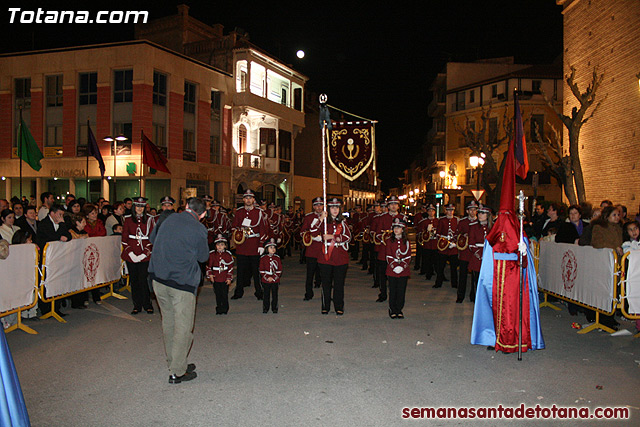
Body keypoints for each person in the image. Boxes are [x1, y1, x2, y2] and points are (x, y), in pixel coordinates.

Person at [149, 197, 209, 384]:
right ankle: (177, 371)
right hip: (181, 283)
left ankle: (175, 361)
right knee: (183, 327)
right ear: (203, 214)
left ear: (185, 207)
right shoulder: (199, 228)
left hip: (159, 279)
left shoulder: (168, 219)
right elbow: (203, 256)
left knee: (169, 323)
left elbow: (153, 239)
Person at [312, 198, 351, 315]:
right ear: (328, 209)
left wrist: (331, 236)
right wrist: (321, 218)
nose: (335, 210)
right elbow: (313, 233)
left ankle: (339, 306)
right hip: (325, 256)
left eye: (337, 207)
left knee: (339, 284)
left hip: (340, 256)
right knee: (326, 283)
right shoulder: (322, 222)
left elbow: (348, 237)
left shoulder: (343, 222)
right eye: (332, 207)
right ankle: (325, 306)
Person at [587, 206, 623, 329]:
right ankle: (603, 318)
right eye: (614, 215)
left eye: (618, 215)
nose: (617, 217)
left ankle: (610, 317)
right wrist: (614, 247)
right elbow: (596, 243)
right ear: (607, 216)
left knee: (614, 291)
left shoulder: (618, 228)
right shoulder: (599, 227)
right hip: (603, 263)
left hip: (616, 264)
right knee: (605, 291)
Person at [230, 189, 269, 300]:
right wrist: (238, 232)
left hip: (254, 245)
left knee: (256, 271)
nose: (248, 200)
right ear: (243, 200)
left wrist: (261, 244)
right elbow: (234, 226)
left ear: (253, 200)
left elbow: (263, 229)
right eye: (246, 198)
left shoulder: (259, 212)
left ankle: (258, 291)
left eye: (250, 198)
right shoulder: (239, 212)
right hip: (242, 245)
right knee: (241, 271)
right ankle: (239, 292)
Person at [35, 204, 71, 317]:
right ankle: (45, 308)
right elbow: (53, 236)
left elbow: (68, 235)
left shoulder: (61, 224)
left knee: (57, 282)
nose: (61, 217)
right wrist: (62, 225)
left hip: (57, 257)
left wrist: (63, 231)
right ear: (52, 213)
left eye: (62, 215)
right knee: (46, 282)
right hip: (46, 259)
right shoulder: (44, 224)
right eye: (59, 214)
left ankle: (56, 307)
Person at [122, 197, 156, 315]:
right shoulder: (127, 219)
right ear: (134, 207)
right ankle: (137, 305)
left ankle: (147, 304)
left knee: (143, 280)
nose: (139, 209)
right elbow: (124, 238)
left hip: (144, 254)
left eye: (142, 206)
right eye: (137, 206)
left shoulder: (150, 220)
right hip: (131, 254)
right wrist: (131, 253)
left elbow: (152, 238)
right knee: (134, 280)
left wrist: (143, 254)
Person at [372, 195, 408, 302]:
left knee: (397, 275)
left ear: (398, 206)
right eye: (391, 204)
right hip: (384, 251)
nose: (393, 206)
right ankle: (383, 294)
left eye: (395, 204)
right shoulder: (382, 217)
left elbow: (405, 235)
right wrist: (386, 239)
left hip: (398, 252)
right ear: (388, 206)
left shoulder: (403, 218)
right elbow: (378, 234)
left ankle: (395, 294)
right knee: (382, 275)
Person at [385, 218, 411, 319]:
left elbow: (408, 256)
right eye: (395, 227)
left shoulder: (406, 242)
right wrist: (395, 266)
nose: (396, 229)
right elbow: (388, 255)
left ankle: (399, 309)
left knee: (401, 290)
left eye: (399, 227)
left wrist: (402, 266)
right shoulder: (389, 241)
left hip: (403, 271)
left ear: (403, 229)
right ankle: (392, 309)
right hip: (392, 270)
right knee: (393, 290)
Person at [467, 204, 493, 303]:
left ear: (488, 215)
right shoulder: (473, 227)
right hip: (477, 256)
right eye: (479, 213)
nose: (480, 215)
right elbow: (471, 243)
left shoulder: (492, 227)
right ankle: (475, 297)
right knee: (476, 279)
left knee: (488, 280)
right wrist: (479, 255)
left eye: (483, 213)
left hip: (489, 256)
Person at [299, 197, 324, 301]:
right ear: (313, 206)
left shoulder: (328, 217)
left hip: (324, 248)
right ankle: (308, 293)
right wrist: (312, 237)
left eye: (321, 205)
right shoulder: (309, 217)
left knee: (325, 273)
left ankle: (326, 294)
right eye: (316, 205)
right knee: (310, 274)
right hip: (312, 249)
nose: (319, 207)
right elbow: (302, 232)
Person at [456, 201, 478, 303]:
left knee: (475, 276)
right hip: (465, 252)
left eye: (474, 210)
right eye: (471, 210)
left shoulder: (479, 223)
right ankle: (460, 296)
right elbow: (457, 235)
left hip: (475, 254)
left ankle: (473, 296)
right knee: (462, 275)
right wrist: (463, 236)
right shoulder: (463, 222)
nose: (473, 212)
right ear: (467, 211)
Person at [206, 234, 234, 315]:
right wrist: (210, 275)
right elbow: (208, 266)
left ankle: (225, 308)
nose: (220, 246)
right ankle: (219, 308)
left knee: (224, 294)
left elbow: (230, 267)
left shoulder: (228, 255)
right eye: (218, 245)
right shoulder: (212, 255)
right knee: (218, 294)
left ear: (225, 246)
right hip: (216, 277)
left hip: (224, 277)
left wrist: (229, 278)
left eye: (222, 244)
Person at [434, 203, 459, 289]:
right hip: (443, 246)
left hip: (453, 246)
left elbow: (458, 233)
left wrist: (455, 243)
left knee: (454, 267)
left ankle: (454, 283)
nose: (450, 212)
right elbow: (438, 234)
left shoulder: (457, 220)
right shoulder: (442, 220)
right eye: (448, 210)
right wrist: (443, 242)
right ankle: (438, 282)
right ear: (446, 211)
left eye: (452, 210)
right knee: (440, 266)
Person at [259, 238, 283, 314]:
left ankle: (274, 307)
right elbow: (261, 270)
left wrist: (274, 277)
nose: (273, 249)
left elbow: (279, 269)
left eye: (274, 247)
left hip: (275, 280)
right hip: (266, 280)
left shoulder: (277, 258)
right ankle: (266, 307)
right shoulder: (263, 258)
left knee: (275, 294)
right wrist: (267, 277)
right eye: (271, 247)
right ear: (266, 249)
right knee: (266, 294)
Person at [417, 204, 438, 279]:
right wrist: (426, 233)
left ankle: (436, 273)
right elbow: (421, 232)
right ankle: (428, 274)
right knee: (427, 260)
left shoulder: (437, 221)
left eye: (432, 211)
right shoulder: (424, 222)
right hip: (428, 243)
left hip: (435, 243)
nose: (431, 212)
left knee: (436, 260)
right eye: (429, 211)